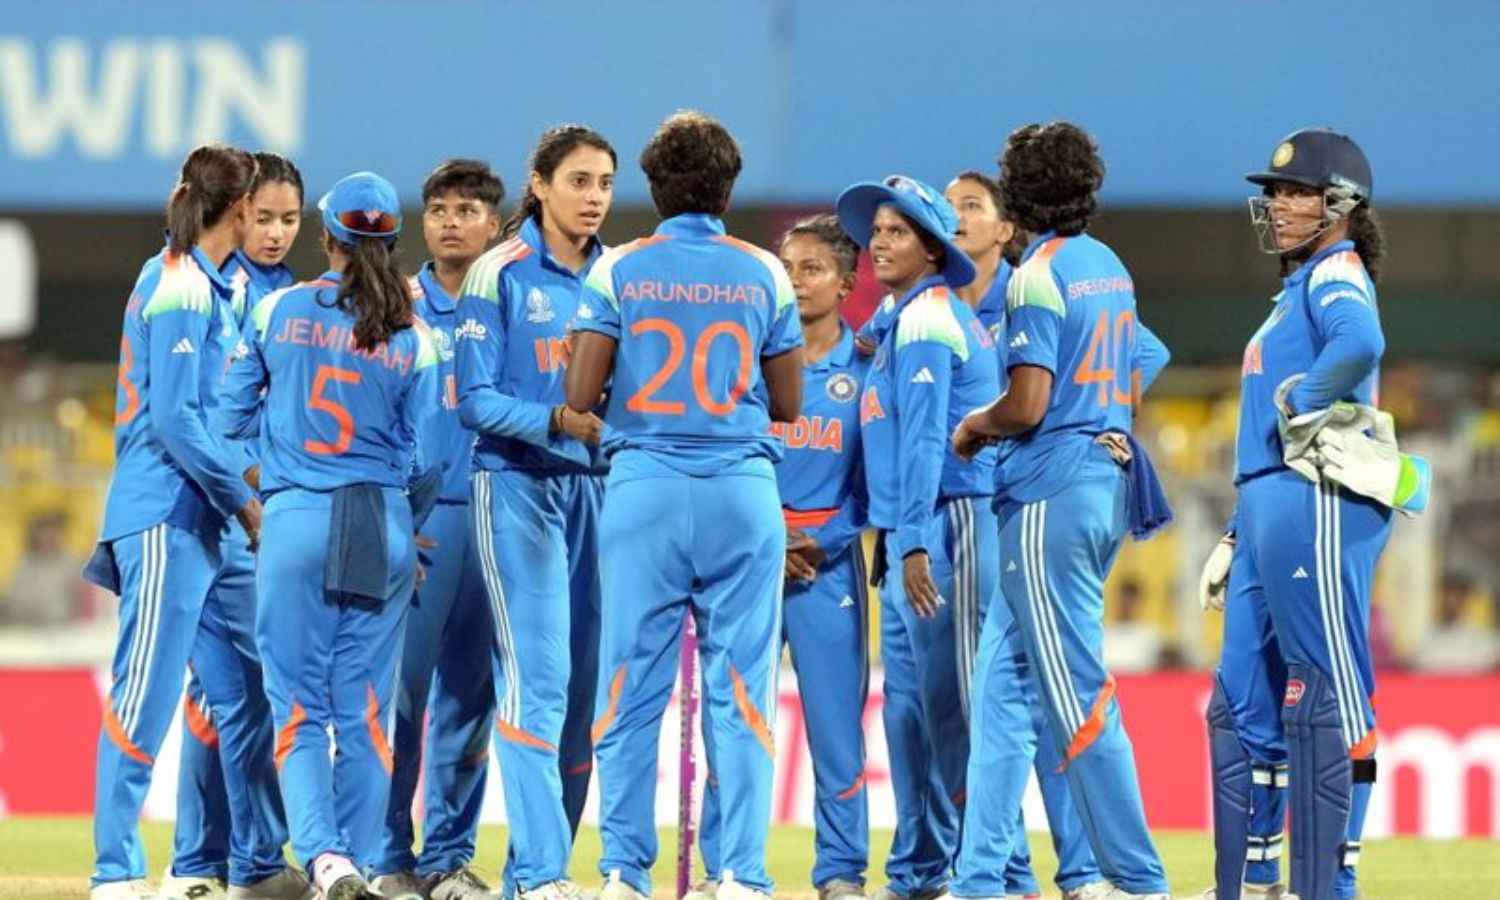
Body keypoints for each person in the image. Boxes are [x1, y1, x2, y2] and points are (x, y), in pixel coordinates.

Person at [565, 110, 803, 900]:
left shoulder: (618, 270)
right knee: (742, 694)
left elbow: (579, 394)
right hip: (741, 492)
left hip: (645, 492)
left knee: (629, 690)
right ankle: (739, 875)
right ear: (728, 191)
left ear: (653, 188)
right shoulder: (766, 272)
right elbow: (789, 403)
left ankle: (623, 872)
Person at [952, 122, 1173, 900]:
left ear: (1017, 194)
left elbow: (1026, 404)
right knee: (1002, 695)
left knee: (1077, 693)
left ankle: (1139, 880)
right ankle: (979, 880)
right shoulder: (1106, 264)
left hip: (1048, 494)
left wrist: (974, 426)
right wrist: (1105, 418)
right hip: (1099, 482)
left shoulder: (1036, 275)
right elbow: (1143, 359)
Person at [219, 171, 439, 900]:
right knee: (367, 710)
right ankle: (360, 864)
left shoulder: (276, 310)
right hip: (380, 520)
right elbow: (427, 460)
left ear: (326, 236)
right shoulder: (416, 334)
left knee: (299, 707)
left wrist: (274, 477)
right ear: (393, 241)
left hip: (297, 519)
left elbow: (226, 422)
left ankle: (324, 860)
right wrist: (404, 519)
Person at [1197, 128, 1401, 900]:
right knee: (1240, 703)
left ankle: (1332, 884)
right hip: (1267, 506)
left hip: (1314, 498)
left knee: (1325, 697)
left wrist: (1306, 398)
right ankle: (1253, 881)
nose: (1278, 204)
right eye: (1275, 192)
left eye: (1296, 192)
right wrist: (1235, 530)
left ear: (1340, 204)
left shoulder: (1337, 271)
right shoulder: (1297, 289)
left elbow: (1362, 341)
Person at [82, 144, 264, 900]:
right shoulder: (181, 285)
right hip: (165, 513)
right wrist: (245, 500)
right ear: (242, 209)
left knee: (248, 688)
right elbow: (176, 422)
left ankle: (251, 865)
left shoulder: (217, 285)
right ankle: (115, 870)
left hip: (204, 520)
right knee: (146, 692)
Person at [452, 126, 616, 900]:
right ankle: (548, 875)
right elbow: (474, 401)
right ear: (541, 185)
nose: (594, 197)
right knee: (537, 681)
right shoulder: (499, 273)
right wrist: (556, 421)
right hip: (516, 484)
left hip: (600, 493)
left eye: (605, 183)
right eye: (579, 181)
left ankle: (531, 876)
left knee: (585, 697)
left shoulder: (619, 275)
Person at [692, 214, 870, 900]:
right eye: (786, 268)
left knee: (835, 731)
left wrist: (827, 541)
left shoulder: (867, 370)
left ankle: (841, 873)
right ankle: (723, 868)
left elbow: (877, 484)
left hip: (828, 568)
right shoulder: (746, 363)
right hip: (748, 562)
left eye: (812, 269)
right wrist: (766, 535)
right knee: (733, 720)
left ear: (846, 283)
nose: (795, 282)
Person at [943, 171, 1108, 900]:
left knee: (1043, 695)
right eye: (947, 206)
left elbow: (1139, 352)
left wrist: (1100, 424)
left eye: (971, 206)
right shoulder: (931, 304)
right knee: (999, 698)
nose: (954, 218)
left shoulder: (1034, 282)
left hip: (1028, 498)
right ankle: (998, 876)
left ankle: (1084, 870)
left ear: (1007, 226)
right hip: (995, 506)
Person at [834, 174, 994, 900]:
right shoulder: (904, 320)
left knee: (951, 707)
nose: (878, 243)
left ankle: (984, 869)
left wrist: (918, 538)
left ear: (933, 248)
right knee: (908, 712)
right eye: (875, 232)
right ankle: (918, 869)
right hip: (908, 532)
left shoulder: (929, 319)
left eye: (897, 231)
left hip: (946, 526)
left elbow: (927, 439)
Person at [165, 150, 311, 900]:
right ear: (237, 212)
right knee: (226, 692)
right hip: (220, 513)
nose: (276, 232)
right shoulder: (204, 288)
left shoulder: (296, 299)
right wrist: (253, 485)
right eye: (264, 217)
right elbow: (196, 415)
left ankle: (221, 862)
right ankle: (210, 861)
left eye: (291, 219)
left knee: (238, 693)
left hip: (267, 521)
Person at [373, 159, 503, 900]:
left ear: (494, 224)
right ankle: (387, 854)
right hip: (416, 528)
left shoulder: (508, 301)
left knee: (470, 703)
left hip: (493, 520)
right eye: (439, 210)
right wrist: (393, 516)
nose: (450, 223)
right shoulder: (394, 304)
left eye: (466, 210)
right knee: (400, 699)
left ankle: (448, 859)